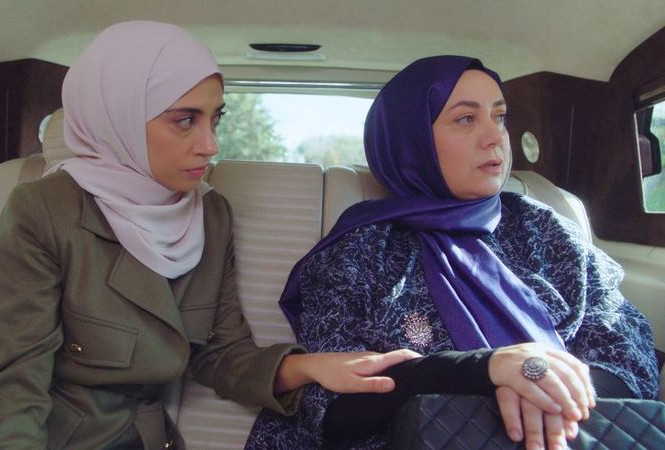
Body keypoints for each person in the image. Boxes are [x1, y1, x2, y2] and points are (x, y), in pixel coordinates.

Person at [0, 21, 417, 449]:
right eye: (185, 120)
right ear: (118, 117)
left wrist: (312, 366)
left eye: (215, 119)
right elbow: (16, 382)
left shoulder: (211, 213)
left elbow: (219, 352)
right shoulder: (43, 208)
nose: (210, 145)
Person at [245, 55, 659, 450]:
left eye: (500, 116)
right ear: (412, 141)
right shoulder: (357, 252)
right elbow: (333, 407)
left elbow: (627, 353)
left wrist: (543, 390)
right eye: (466, 119)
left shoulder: (547, 230)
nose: (494, 136)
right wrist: (484, 372)